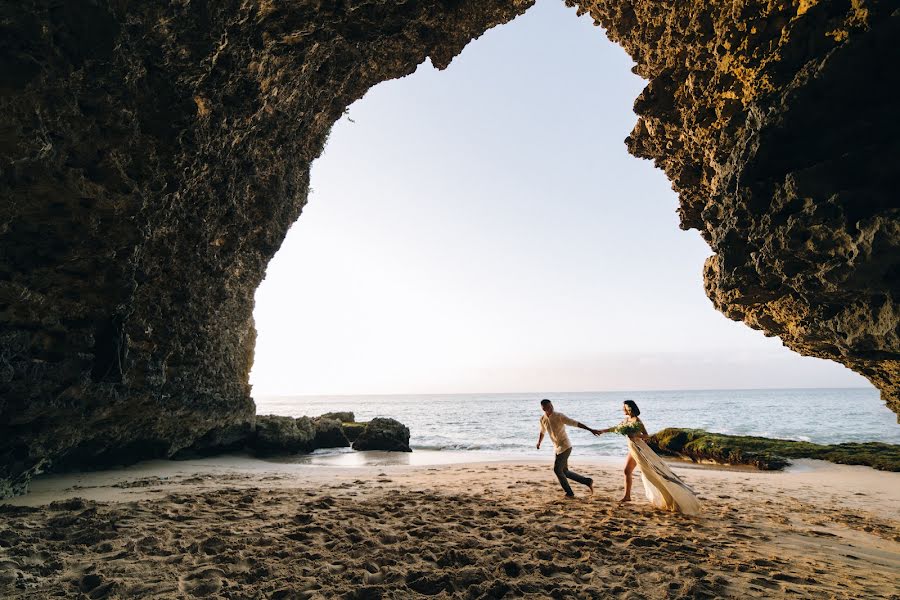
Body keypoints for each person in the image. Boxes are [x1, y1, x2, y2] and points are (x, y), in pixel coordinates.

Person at [596, 400, 700, 515]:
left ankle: (672, 497)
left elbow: (646, 435)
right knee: (627, 471)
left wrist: (637, 435)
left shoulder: (637, 421)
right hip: (632, 449)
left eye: (624, 408)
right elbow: (615, 428)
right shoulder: (626, 420)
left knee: (650, 474)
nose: (623, 409)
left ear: (629, 409)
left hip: (639, 449)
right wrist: (602, 431)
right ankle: (627, 496)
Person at [536, 399, 599, 498]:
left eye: (551, 405)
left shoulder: (559, 416)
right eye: (548, 407)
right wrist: (539, 442)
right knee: (564, 472)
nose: (551, 408)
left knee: (557, 470)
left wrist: (590, 430)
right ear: (543, 408)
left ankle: (569, 493)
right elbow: (542, 431)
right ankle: (587, 481)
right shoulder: (542, 419)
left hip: (565, 446)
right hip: (557, 448)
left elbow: (574, 423)